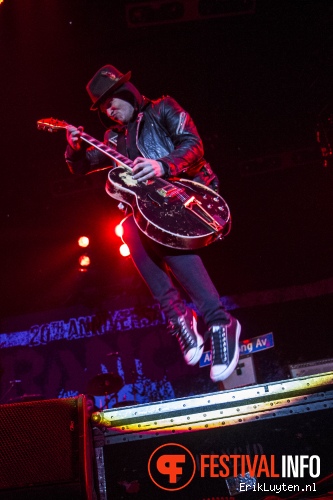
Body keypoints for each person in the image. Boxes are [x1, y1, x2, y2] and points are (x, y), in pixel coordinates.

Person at [65, 64, 241, 382]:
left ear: (125, 92)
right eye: (103, 107)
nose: (109, 110)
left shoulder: (163, 109)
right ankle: (177, 315)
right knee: (131, 228)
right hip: (159, 209)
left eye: (111, 101)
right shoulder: (113, 138)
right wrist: (74, 148)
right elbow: (81, 167)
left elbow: (193, 144)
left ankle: (219, 322)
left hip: (194, 194)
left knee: (157, 234)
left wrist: (162, 165)